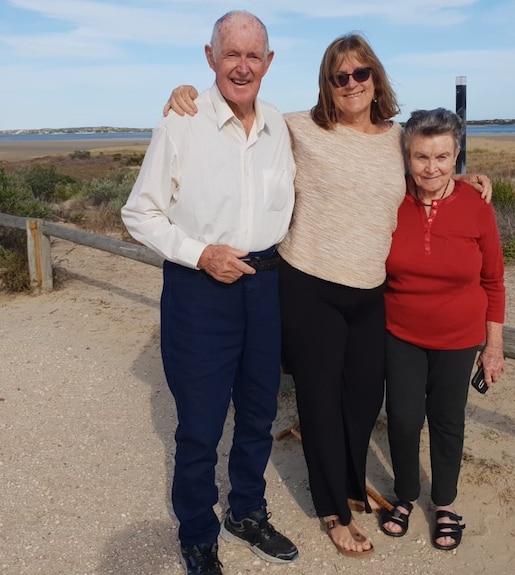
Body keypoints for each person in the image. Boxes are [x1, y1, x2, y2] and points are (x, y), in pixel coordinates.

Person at [164, 33, 491, 558]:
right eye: (339, 77)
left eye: (361, 74)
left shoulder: (398, 138)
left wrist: (465, 179)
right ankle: (334, 511)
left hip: (369, 290)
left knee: (363, 401)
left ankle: (348, 480)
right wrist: (190, 95)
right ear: (327, 84)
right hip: (308, 283)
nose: (351, 84)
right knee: (318, 402)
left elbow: (430, 172)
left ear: (376, 78)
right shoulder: (296, 127)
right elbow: (239, 108)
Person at [121, 11, 299, 575]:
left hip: (266, 287)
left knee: (256, 412)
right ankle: (197, 530)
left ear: (269, 63)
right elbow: (139, 213)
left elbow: (362, 146)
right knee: (199, 423)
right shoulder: (181, 122)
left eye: (254, 56)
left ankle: (246, 510)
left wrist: (456, 178)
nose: (242, 66)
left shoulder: (280, 126)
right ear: (210, 57)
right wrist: (202, 254)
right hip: (200, 291)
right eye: (231, 54)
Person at [380, 108, 506, 551]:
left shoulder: (477, 206)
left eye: (442, 156)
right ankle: (406, 495)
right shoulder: (391, 197)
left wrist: (493, 347)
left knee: (447, 421)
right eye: (420, 157)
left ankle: (446, 504)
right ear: (406, 157)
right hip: (400, 333)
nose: (430, 168)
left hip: (458, 339)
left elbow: (493, 281)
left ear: (456, 156)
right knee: (402, 419)